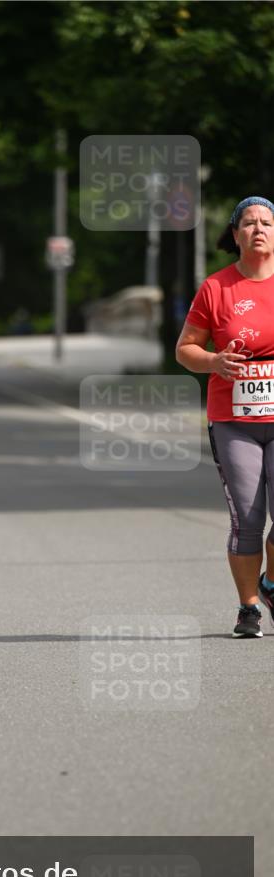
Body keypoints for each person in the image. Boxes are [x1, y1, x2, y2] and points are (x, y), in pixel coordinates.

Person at [176, 195, 274, 638]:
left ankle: (270, 583)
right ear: (234, 235)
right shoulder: (216, 289)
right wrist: (214, 362)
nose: (259, 229)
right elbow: (186, 349)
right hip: (234, 421)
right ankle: (248, 607)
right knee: (249, 520)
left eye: (267, 223)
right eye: (249, 223)